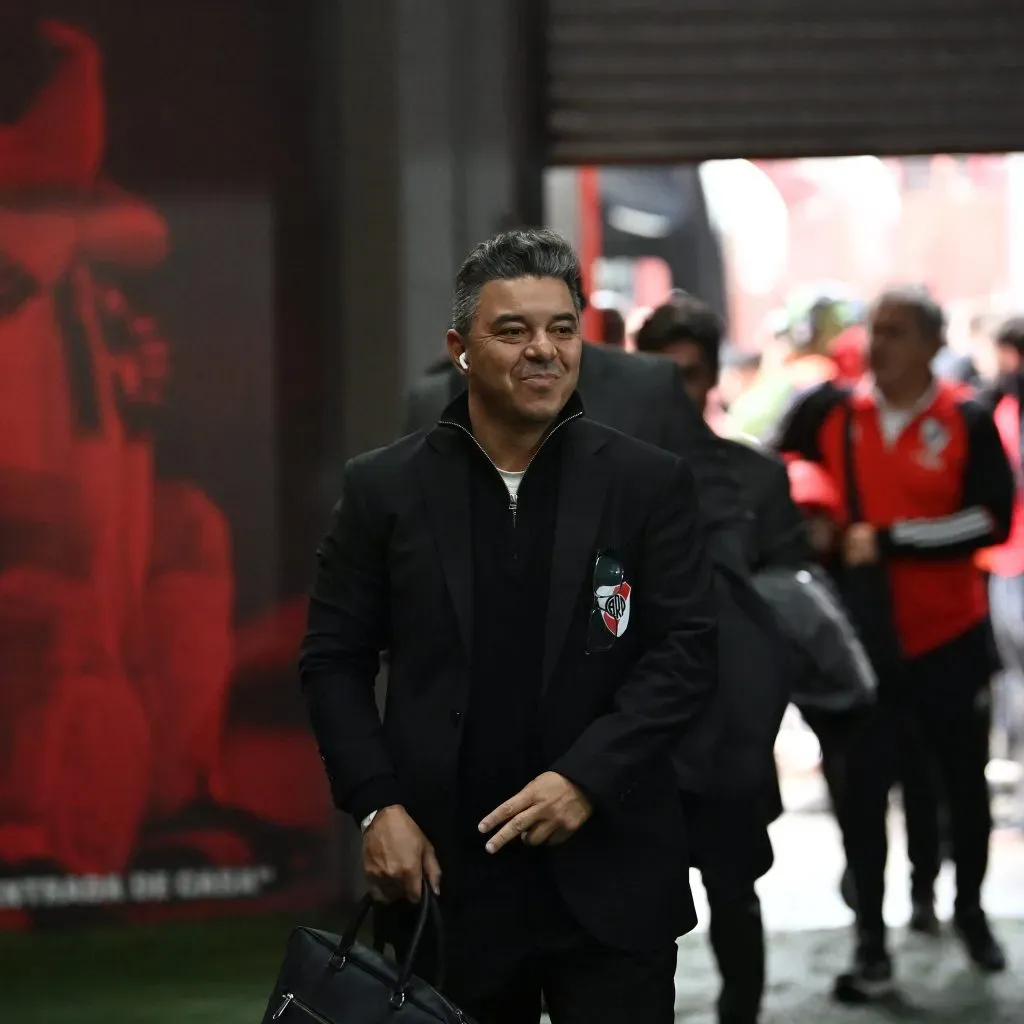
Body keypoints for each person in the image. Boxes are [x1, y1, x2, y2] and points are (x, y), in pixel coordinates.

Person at [300, 229, 719, 1024]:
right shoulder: (385, 489)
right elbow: (333, 660)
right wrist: (375, 806)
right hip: (447, 876)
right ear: (460, 348)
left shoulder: (648, 483)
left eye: (561, 328)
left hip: (614, 869)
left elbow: (687, 651)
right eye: (513, 330)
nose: (544, 351)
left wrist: (587, 777)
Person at [773, 286, 1014, 1001]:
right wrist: (813, 514)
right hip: (859, 642)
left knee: (962, 789)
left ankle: (967, 910)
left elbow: (991, 521)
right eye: (876, 329)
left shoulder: (965, 418)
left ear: (935, 343)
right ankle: (871, 937)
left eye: (899, 331)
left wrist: (891, 538)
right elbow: (774, 472)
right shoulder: (831, 410)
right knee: (861, 790)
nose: (881, 343)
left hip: (950, 636)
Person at [635, 294, 807, 1024]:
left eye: (691, 374)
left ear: (713, 379)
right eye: (660, 375)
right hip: (640, 736)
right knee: (638, 909)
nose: (677, 391)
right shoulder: (608, 479)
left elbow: (792, 603)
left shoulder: (757, 481)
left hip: (732, 730)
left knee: (734, 891)